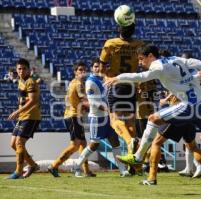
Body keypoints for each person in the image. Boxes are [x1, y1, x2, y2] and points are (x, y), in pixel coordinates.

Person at [106, 44, 201, 194]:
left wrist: (117, 78)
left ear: (150, 56)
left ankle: (138, 157)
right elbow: (195, 63)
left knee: (153, 119)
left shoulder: (157, 66)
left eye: (141, 59)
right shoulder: (175, 59)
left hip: (190, 106)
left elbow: (140, 77)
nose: (141, 63)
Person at [140, 93, 201, 185]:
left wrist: (166, 99)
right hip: (189, 115)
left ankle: (151, 178)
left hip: (176, 114)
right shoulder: (191, 82)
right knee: (193, 147)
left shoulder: (174, 80)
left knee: (156, 143)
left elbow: (175, 91)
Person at [73, 58, 129, 177]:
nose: (98, 69)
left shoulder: (103, 80)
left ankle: (123, 170)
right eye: (96, 66)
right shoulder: (90, 82)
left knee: (115, 141)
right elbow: (94, 103)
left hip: (107, 118)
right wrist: (110, 111)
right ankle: (77, 166)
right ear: (92, 68)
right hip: (97, 118)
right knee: (94, 144)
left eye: (100, 66)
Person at [99, 13, 143, 157]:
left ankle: (130, 141)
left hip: (116, 84)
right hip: (131, 85)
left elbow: (102, 68)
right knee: (130, 123)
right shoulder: (139, 45)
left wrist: (106, 76)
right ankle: (135, 162)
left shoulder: (111, 43)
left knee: (114, 120)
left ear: (119, 29)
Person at [48, 61, 93, 177]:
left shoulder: (73, 82)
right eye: (80, 70)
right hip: (73, 116)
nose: (83, 72)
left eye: (84, 70)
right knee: (75, 145)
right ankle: (54, 165)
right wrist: (97, 107)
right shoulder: (78, 84)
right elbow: (84, 100)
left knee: (83, 143)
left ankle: (86, 170)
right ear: (75, 72)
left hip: (73, 115)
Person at [6, 58, 41, 179]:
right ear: (16, 70)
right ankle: (33, 165)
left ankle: (18, 171)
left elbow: (32, 101)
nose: (21, 71)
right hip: (23, 116)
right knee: (13, 144)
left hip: (31, 116)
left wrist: (17, 111)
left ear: (28, 70)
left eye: (24, 68)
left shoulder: (30, 81)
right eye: (19, 68)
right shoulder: (21, 81)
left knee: (19, 142)